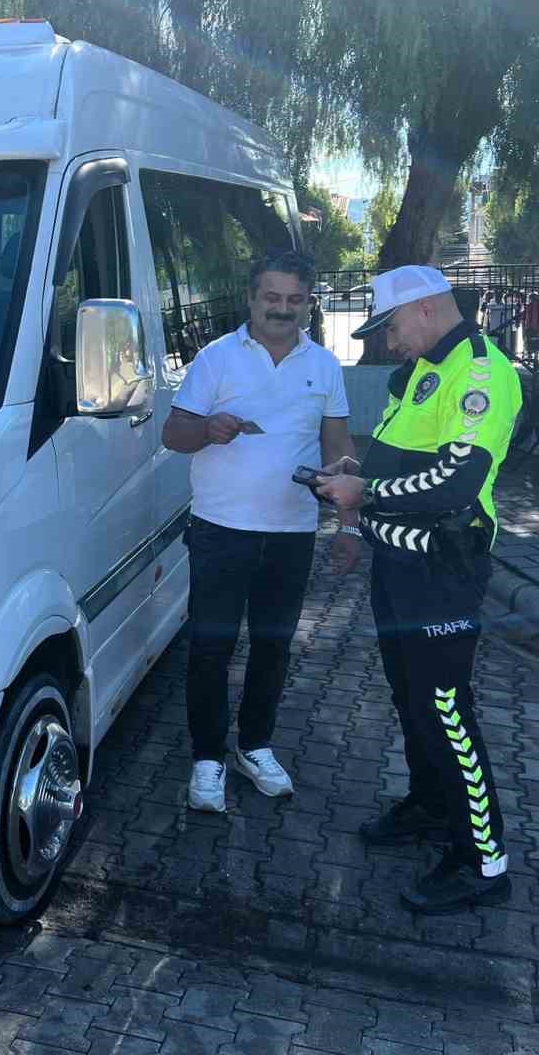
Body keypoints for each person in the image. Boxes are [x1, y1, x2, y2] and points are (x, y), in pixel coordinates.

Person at [316, 264, 521, 914]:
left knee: (449, 713)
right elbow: (406, 455)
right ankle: (432, 807)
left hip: (441, 573)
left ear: (427, 308)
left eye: (392, 326)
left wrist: (366, 491)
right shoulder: (423, 368)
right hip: (398, 567)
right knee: (413, 701)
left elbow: (457, 480)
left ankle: (484, 862)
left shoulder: (481, 371)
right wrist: (356, 471)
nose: (388, 341)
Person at [161, 248, 362, 814]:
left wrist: (349, 526)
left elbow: (338, 447)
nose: (282, 308)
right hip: (220, 530)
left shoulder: (324, 365)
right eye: (271, 297)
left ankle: (254, 747)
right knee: (210, 648)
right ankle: (207, 758)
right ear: (251, 298)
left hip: (292, 533)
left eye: (295, 299)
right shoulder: (216, 358)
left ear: (308, 303)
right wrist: (207, 428)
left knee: (272, 649)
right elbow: (172, 434)